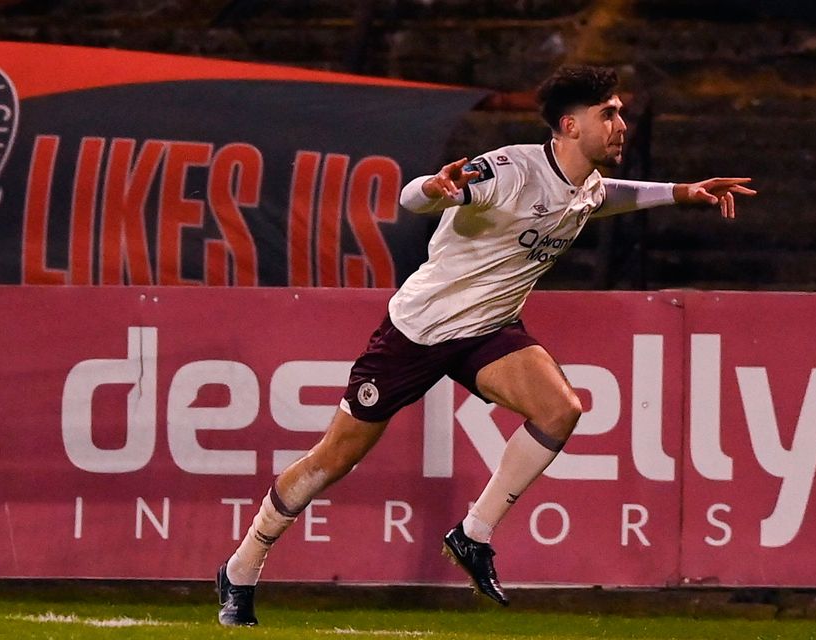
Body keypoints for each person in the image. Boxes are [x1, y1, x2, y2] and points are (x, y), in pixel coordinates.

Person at [216, 64, 756, 626]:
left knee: (560, 410)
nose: (621, 123)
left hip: (490, 330)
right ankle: (242, 567)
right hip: (419, 332)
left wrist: (681, 193)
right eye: (609, 114)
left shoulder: (586, 181)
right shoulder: (510, 170)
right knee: (335, 459)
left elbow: (603, 198)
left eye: (620, 111)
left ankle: (473, 533)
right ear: (570, 126)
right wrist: (432, 187)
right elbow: (411, 200)